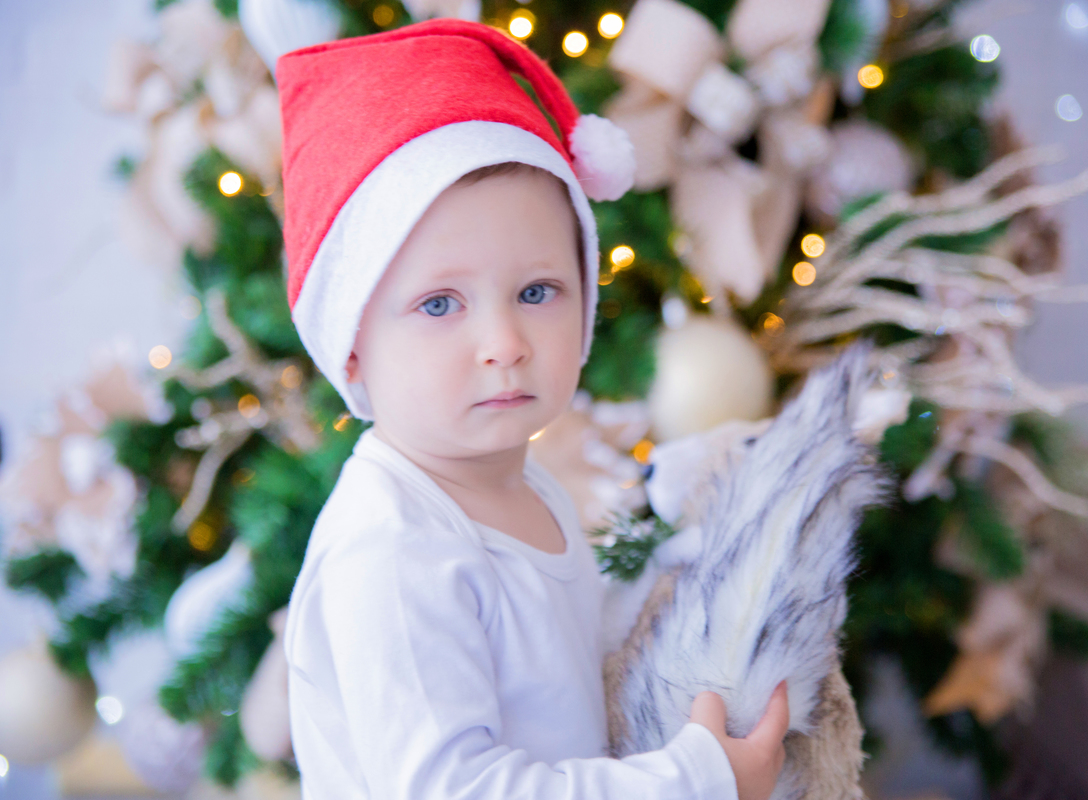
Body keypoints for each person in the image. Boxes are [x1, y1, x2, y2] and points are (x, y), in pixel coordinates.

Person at [275, 19, 790, 800]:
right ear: (350, 348)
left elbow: (555, 664)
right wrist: (694, 781)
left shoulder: (520, 484)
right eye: (441, 303)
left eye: (537, 291)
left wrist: (688, 582)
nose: (505, 342)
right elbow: (455, 789)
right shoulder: (392, 549)